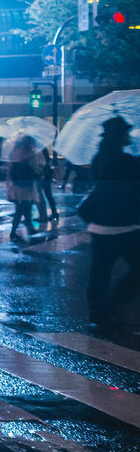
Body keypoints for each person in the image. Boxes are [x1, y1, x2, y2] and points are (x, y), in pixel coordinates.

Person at [80, 116, 140, 326]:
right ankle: (112, 303)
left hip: (100, 223)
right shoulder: (127, 162)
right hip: (124, 225)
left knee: (100, 270)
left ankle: (96, 311)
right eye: (125, 132)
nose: (128, 136)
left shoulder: (99, 159)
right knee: (136, 269)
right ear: (119, 135)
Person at [6, 136, 41, 241]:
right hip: (26, 185)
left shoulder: (15, 152)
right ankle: (13, 232)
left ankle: (29, 227)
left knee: (25, 207)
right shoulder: (30, 154)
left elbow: (11, 168)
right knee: (21, 209)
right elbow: (35, 168)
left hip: (17, 185)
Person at [38, 148, 60, 222]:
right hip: (46, 175)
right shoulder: (43, 150)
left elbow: (42, 164)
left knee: (42, 196)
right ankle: (53, 213)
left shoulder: (40, 151)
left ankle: (45, 215)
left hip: (43, 176)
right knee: (48, 195)